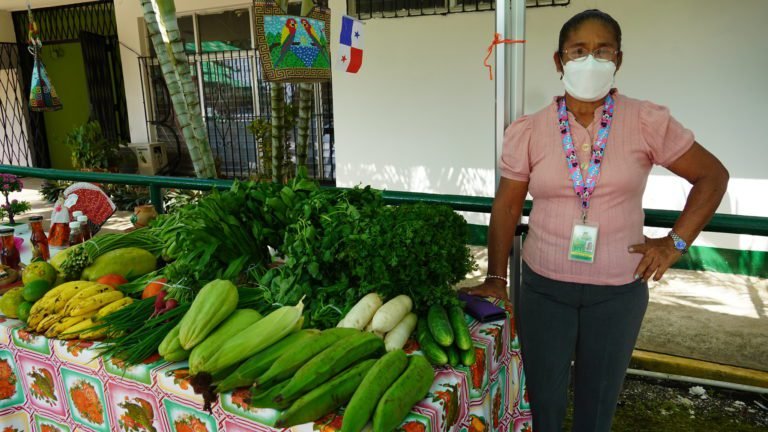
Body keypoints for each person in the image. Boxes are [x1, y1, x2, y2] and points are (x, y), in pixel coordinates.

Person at [465, 9, 729, 432]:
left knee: (598, 404)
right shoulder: (529, 130)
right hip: (544, 288)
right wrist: (497, 275)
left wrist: (674, 243)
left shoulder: (646, 120)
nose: (590, 60)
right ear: (559, 61)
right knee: (542, 402)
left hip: (618, 294)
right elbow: (507, 206)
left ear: (618, 60)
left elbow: (712, 175)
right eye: (579, 50)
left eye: (602, 51)